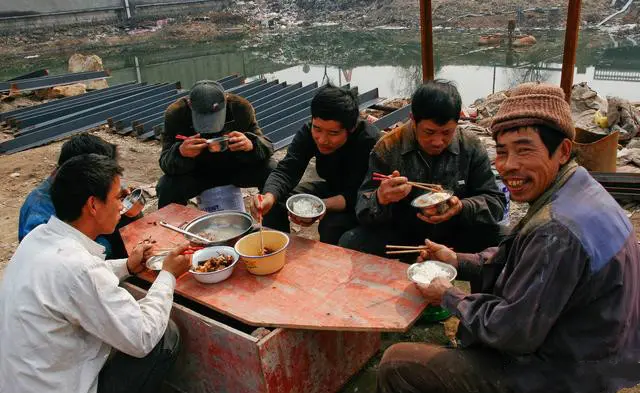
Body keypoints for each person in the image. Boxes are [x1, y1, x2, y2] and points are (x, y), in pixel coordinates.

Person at [377, 83, 640, 393]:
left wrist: (448, 296)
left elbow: (512, 332)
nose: (508, 166)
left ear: (563, 151)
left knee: (397, 363)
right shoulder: (581, 189)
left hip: (564, 372)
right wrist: (456, 260)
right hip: (594, 354)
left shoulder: (557, 231)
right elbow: (521, 256)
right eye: (502, 152)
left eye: (525, 149)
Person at [0, 154, 193, 393]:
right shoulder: (79, 268)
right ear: (93, 205)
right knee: (164, 336)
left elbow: (76, 279)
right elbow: (142, 337)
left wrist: (128, 267)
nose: (121, 206)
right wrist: (168, 275)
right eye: (117, 198)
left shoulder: (38, 238)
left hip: (24, 381)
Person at [339, 80, 506, 256]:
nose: (438, 141)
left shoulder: (470, 146)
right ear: (413, 119)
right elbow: (362, 209)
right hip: (402, 234)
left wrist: (461, 208)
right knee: (351, 241)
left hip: (456, 233)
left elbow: (496, 202)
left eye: (447, 132)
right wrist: (381, 198)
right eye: (429, 132)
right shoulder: (388, 146)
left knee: (509, 240)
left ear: (458, 121)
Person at [251, 85, 381, 245]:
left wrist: (321, 206)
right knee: (276, 201)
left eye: (333, 133)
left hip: (362, 200)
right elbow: (287, 170)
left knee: (332, 226)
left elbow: (365, 194)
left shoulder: (370, 142)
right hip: (331, 188)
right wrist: (268, 197)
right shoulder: (307, 133)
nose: (322, 139)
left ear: (351, 128)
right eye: (317, 128)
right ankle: (277, 248)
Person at [156, 80, 276, 208]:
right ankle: (170, 227)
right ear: (190, 105)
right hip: (197, 173)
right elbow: (165, 162)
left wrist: (251, 145)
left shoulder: (240, 108)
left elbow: (268, 146)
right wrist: (181, 152)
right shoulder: (176, 114)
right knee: (166, 187)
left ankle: (274, 226)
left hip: (235, 168)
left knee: (272, 171)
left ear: (226, 99)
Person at [18, 133, 134, 259]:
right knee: (106, 244)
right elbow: (60, 260)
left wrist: (119, 197)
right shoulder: (39, 215)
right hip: (72, 261)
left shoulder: (78, 185)